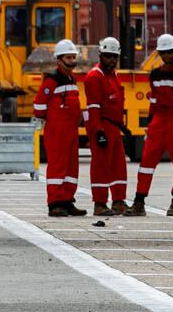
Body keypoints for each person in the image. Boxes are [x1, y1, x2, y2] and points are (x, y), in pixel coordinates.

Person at [130, 34, 173, 217]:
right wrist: (150, 125)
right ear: (159, 53)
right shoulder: (155, 75)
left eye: (169, 52)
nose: (167, 55)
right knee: (146, 163)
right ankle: (139, 202)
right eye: (163, 52)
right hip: (159, 121)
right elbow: (154, 101)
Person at [81, 38, 132, 215]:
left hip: (113, 126)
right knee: (101, 166)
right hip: (102, 125)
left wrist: (122, 126)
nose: (111, 60)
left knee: (119, 165)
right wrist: (98, 131)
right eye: (108, 56)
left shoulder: (113, 75)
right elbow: (93, 107)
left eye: (114, 57)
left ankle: (118, 201)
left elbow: (116, 103)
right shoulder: (95, 77)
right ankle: (100, 203)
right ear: (101, 56)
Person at [33, 38, 84, 217]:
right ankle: (55, 203)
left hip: (71, 132)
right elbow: (39, 106)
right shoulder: (52, 81)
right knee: (57, 167)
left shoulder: (72, 79)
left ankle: (67, 200)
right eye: (68, 58)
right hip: (56, 132)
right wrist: (48, 120)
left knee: (71, 168)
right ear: (59, 59)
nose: (72, 60)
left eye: (73, 57)